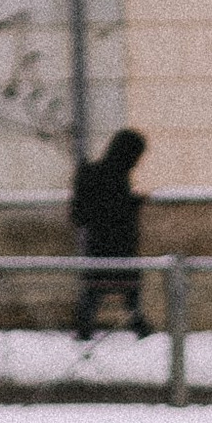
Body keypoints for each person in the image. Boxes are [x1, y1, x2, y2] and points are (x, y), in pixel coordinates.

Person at [70, 125, 149, 337]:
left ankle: (87, 327)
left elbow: (82, 212)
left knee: (97, 288)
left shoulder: (94, 172)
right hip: (114, 243)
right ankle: (136, 324)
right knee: (121, 287)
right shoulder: (114, 175)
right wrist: (133, 204)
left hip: (100, 243)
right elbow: (113, 207)